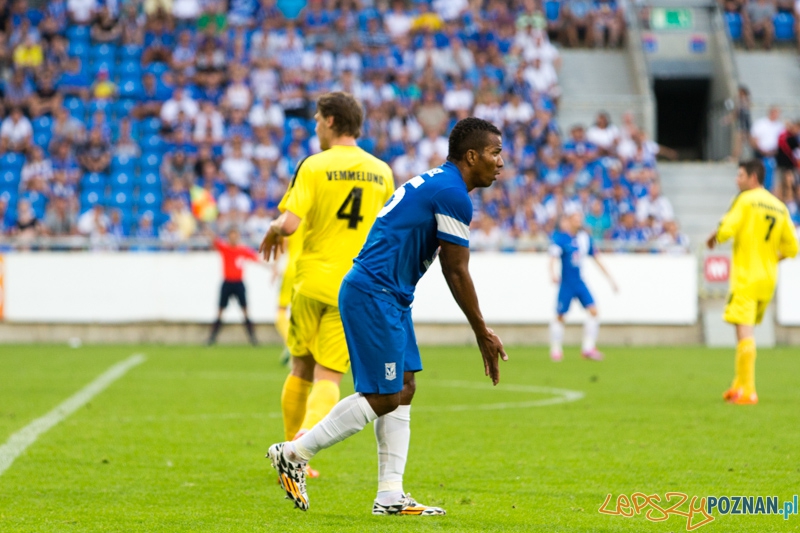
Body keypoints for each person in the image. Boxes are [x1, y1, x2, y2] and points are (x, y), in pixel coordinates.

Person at [264, 117, 508, 515]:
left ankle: (390, 495)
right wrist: (482, 331)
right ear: (471, 155)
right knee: (385, 395)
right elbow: (455, 269)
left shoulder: (439, 182)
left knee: (404, 388)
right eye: (495, 153)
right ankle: (294, 453)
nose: (500, 162)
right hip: (375, 293)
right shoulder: (453, 194)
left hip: (388, 295)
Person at [258, 92, 395, 477]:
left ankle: (289, 448)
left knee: (300, 368)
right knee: (330, 375)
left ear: (331, 121)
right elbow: (388, 233)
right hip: (353, 287)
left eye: (318, 120)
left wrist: (273, 228)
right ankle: (299, 452)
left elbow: (289, 225)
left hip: (311, 281)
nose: (316, 126)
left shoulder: (314, 165)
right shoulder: (382, 171)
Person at [706, 160, 798, 405]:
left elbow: (726, 230)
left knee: (744, 332)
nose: (737, 180)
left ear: (752, 178)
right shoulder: (779, 206)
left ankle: (748, 391)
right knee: (743, 330)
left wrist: (715, 236)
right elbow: (792, 248)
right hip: (767, 279)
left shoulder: (745, 200)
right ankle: (738, 385)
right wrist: (771, 259)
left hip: (746, 277)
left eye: (740, 175)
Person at [549, 206, 618, 362]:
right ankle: (556, 349)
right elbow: (552, 258)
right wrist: (552, 274)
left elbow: (596, 258)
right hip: (566, 283)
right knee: (560, 315)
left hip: (579, 282)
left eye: (579, 218)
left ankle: (588, 348)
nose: (578, 221)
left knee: (594, 311)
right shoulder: (561, 238)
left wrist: (610, 279)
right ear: (569, 221)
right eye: (575, 219)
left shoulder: (584, 238)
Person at [207, 227, 261, 346]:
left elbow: (257, 259)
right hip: (227, 283)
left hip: (238, 283)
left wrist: (272, 267)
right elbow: (213, 239)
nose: (233, 238)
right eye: (231, 235)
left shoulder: (243, 250)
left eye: (235, 235)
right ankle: (211, 338)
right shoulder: (225, 248)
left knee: (245, 311)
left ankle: (253, 339)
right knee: (220, 311)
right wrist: (205, 227)